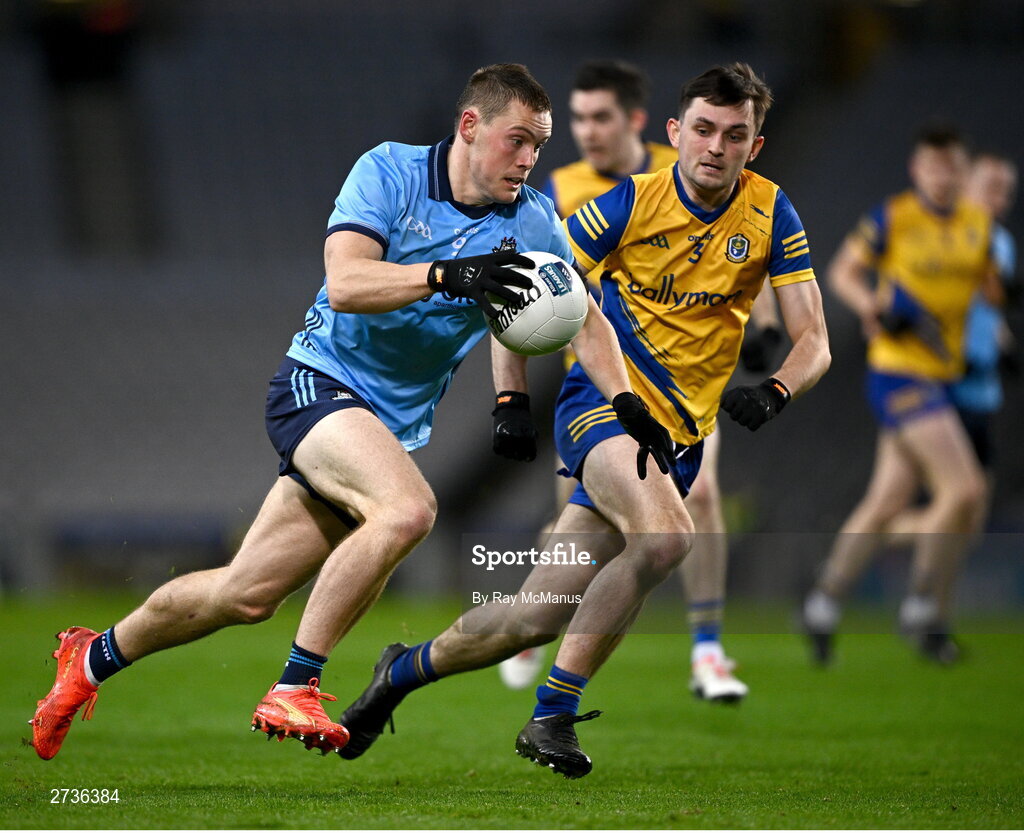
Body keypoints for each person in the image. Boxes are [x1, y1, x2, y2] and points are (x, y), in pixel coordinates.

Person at [29, 63, 675, 761]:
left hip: (381, 424)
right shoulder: (390, 173)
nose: (528, 160)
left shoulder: (532, 220)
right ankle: (295, 685)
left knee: (245, 594)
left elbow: (584, 319)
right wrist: (445, 274)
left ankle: (88, 660)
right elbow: (345, 282)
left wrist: (627, 402)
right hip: (318, 382)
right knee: (407, 510)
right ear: (470, 126)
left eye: (539, 147)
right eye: (517, 140)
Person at [336, 62, 830, 779]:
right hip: (605, 407)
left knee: (527, 619)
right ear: (674, 132)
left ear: (754, 146)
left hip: (678, 438)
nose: (715, 147)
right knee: (665, 538)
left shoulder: (772, 213)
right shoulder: (629, 202)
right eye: (702, 129)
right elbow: (528, 288)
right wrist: (511, 398)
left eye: (734, 134)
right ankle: (553, 713)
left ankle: (399, 673)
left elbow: (814, 337)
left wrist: (778, 388)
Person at [499, 59, 780, 702]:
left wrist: (764, 325)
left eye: (599, 117)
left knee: (698, 501)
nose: (586, 131)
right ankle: (531, 628)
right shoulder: (558, 188)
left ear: (638, 121)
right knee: (571, 522)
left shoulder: (686, 163)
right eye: (577, 118)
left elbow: (746, 249)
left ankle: (707, 650)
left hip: (685, 385)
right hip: (596, 384)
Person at [802, 128, 1004, 666]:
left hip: (943, 377)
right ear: (917, 170)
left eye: (951, 168)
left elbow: (988, 293)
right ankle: (921, 609)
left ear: (963, 175)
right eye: (932, 167)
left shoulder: (977, 228)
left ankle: (823, 600)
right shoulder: (894, 218)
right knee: (965, 490)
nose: (941, 177)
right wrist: (873, 308)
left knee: (888, 500)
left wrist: (1000, 335)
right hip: (898, 372)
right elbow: (842, 272)